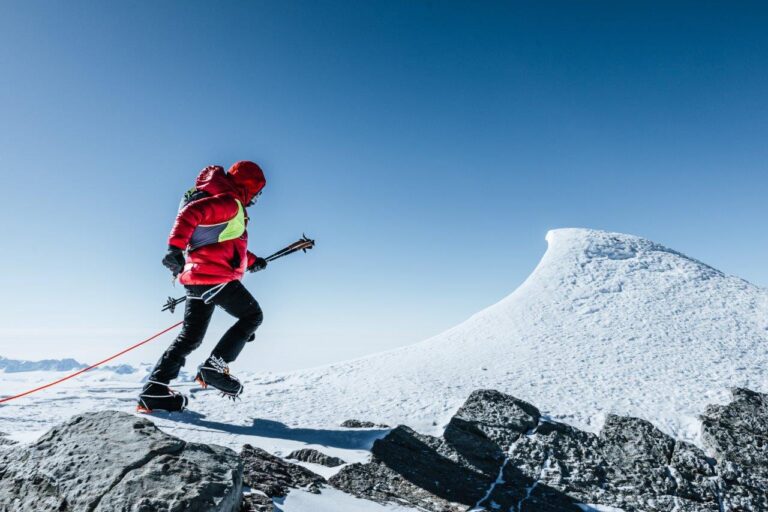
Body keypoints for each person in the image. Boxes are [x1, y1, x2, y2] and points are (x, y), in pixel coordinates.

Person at [138, 161, 267, 413]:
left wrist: (252, 261)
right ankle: (214, 368)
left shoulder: (226, 202)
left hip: (197, 278)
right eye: (257, 192)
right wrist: (173, 248)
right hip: (214, 276)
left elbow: (224, 243)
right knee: (252, 315)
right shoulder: (230, 203)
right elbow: (191, 214)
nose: (256, 199)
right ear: (249, 187)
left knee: (190, 337)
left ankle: (153, 390)